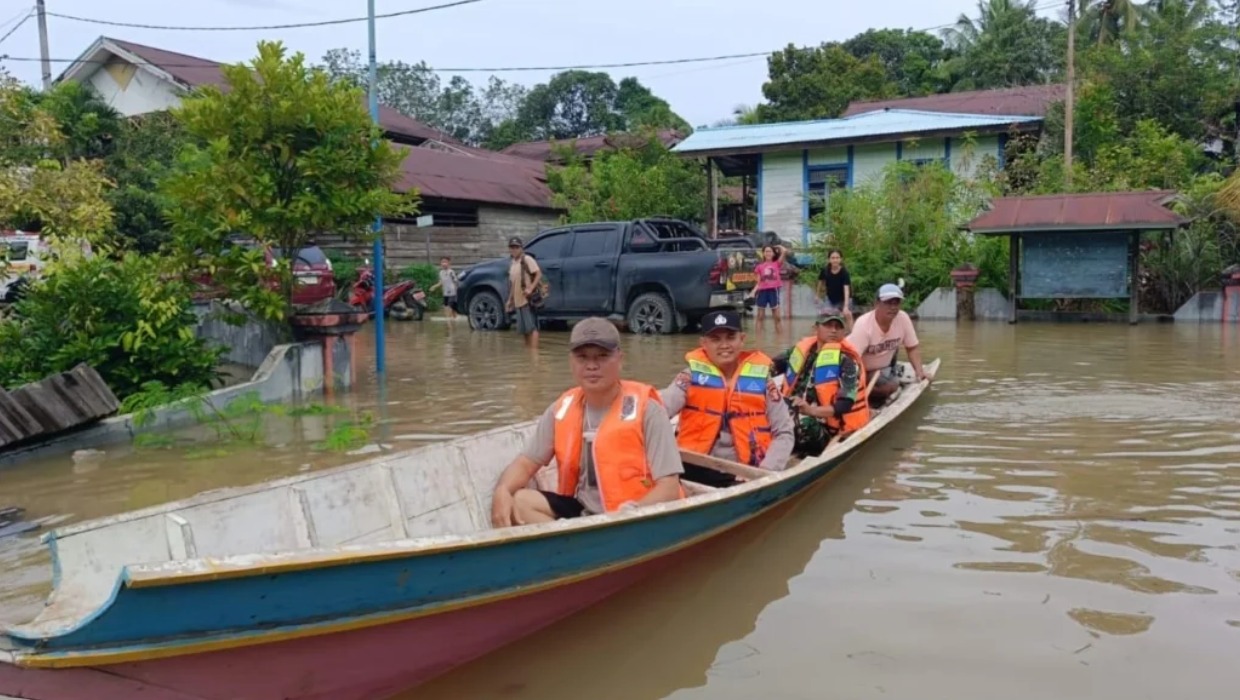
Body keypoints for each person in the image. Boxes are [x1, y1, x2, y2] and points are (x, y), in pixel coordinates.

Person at [490, 318, 684, 526]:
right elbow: (525, 463)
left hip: (636, 513)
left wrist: (632, 513)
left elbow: (669, 487)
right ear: (571, 361)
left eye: (602, 356)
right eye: (582, 357)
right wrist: (502, 490)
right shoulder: (561, 409)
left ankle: (572, 549)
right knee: (520, 501)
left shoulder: (648, 410)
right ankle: (571, 548)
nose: (592, 366)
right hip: (585, 512)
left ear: (620, 358)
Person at [660, 310, 795, 486]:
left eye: (730, 337)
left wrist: (765, 472)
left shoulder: (762, 380)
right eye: (715, 339)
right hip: (694, 465)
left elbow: (784, 432)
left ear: (742, 339)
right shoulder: (689, 377)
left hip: (744, 472)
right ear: (704, 344)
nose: (724, 345)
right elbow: (658, 413)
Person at [773, 311, 870, 456]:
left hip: (822, 424)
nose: (833, 330)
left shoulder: (847, 361)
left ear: (843, 331)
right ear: (816, 328)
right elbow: (772, 366)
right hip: (791, 410)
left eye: (838, 326)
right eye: (828, 325)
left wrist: (810, 411)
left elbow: (845, 404)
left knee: (803, 424)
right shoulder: (800, 350)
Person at [846, 283, 929, 407]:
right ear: (877, 304)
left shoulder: (903, 318)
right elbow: (851, 360)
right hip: (861, 368)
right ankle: (864, 394)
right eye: (888, 302)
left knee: (890, 382)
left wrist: (920, 372)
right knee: (891, 386)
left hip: (884, 366)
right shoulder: (864, 325)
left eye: (896, 303)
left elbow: (912, 348)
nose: (893, 307)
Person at [505, 236, 541, 346]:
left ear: (521, 248)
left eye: (516, 247)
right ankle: (528, 354)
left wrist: (530, 288)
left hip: (527, 300)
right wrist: (510, 300)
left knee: (532, 328)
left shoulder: (527, 259)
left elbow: (538, 274)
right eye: (512, 247)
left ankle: (534, 355)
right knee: (524, 330)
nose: (514, 249)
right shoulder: (512, 264)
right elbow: (513, 284)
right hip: (518, 302)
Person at [749, 245, 784, 331]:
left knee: (777, 317)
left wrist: (778, 247)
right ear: (763, 254)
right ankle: (759, 341)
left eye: (770, 251)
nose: (768, 253)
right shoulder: (759, 267)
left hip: (773, 291)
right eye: (766, 251)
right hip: (762, 291)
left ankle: (779, 339)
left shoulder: (777, 264)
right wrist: (753, 291)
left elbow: (784, 251)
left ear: (773, 253)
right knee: (760, 316)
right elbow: (759, 282)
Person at [816, 249, 852, 325]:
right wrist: (817, 295)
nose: (835, 260)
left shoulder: (844, 272)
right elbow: (820, 282)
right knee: (825, 317)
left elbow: (846, 289)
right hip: (830, 298)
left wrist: (846, 306)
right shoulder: (825, 270)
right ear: (829, 259)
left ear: (841, 259)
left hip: (844, 299)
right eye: (833, 258)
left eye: (837, 258)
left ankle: (853, 334)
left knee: (847, 314)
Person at [428, 256, 459, 320]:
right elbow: (441, 282)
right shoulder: (441, 272)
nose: (443, 263)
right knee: (446, 307)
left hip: (452, 292)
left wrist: (457, 292)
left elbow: (456, 282)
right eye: (442, 262)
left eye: (445, 262)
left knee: (450, 307)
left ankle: (450, 321)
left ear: (449, 263)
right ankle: (450, 320)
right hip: (445, 293)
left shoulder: (451, 272)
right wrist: (434, 287)